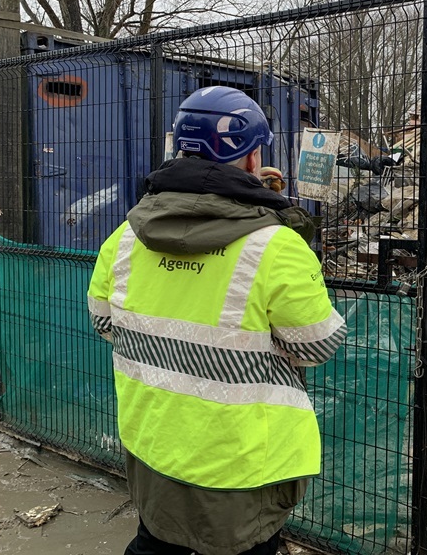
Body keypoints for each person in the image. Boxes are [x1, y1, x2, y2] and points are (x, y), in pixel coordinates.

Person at [87, 86, 346, 555]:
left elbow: (106, 324)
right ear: (251, 157)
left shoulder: (125, 236)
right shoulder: (274, 244)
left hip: (154, 446)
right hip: (241, 464)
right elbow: (316, 346)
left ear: (178, 147)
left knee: (157, 542)